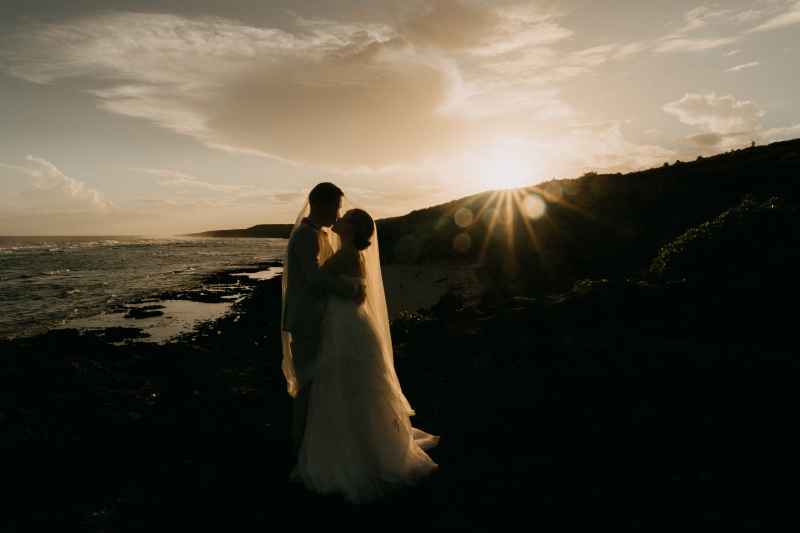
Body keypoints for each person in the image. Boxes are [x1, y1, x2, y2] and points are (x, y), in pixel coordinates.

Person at [282, 197, 439, 504]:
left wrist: (344, 287)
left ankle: (344, 451)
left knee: (340, 384)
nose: (339, 217)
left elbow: (316, 279)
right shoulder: (349, 252)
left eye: (346, 216)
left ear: (353, 227)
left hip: (342, 327)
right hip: (348, 324)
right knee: (357, 388)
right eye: (338, 211)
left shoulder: (345, 255)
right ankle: (365, 444)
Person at [281, 183, 364, 453]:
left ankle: (313, 440)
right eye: (336, 209)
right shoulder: (305, 235)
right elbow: (314, 275)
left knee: (319, 382)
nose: (338, 216)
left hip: (319, 318)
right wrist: (351, 290)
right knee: (307, 383)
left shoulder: (317, 234)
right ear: (320, 205)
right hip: (305, 319)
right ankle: (300, 444)